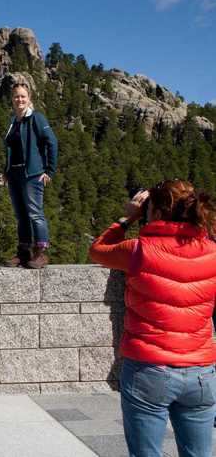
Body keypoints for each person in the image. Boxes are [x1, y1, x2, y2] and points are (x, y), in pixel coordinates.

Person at [89, 180, 216, 457]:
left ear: (155, 212)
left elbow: (97, 250)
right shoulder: (212, 251)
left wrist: (128, 217)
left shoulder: (138, 250)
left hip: (149, 368)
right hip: (201, 372)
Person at [3, 81, 58, 269]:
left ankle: (40, 253)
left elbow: (52, 142)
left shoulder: (36, 118)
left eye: (23, 96)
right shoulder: (13, 121)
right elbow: (11, 149)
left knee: (35, 214)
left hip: (32, 174)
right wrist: (6, 171)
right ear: (12, 99)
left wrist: (49, 170)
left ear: (29, 98)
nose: (19, 99)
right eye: (16, 96)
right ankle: (24, 253)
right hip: (15, 174)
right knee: (21, 215)